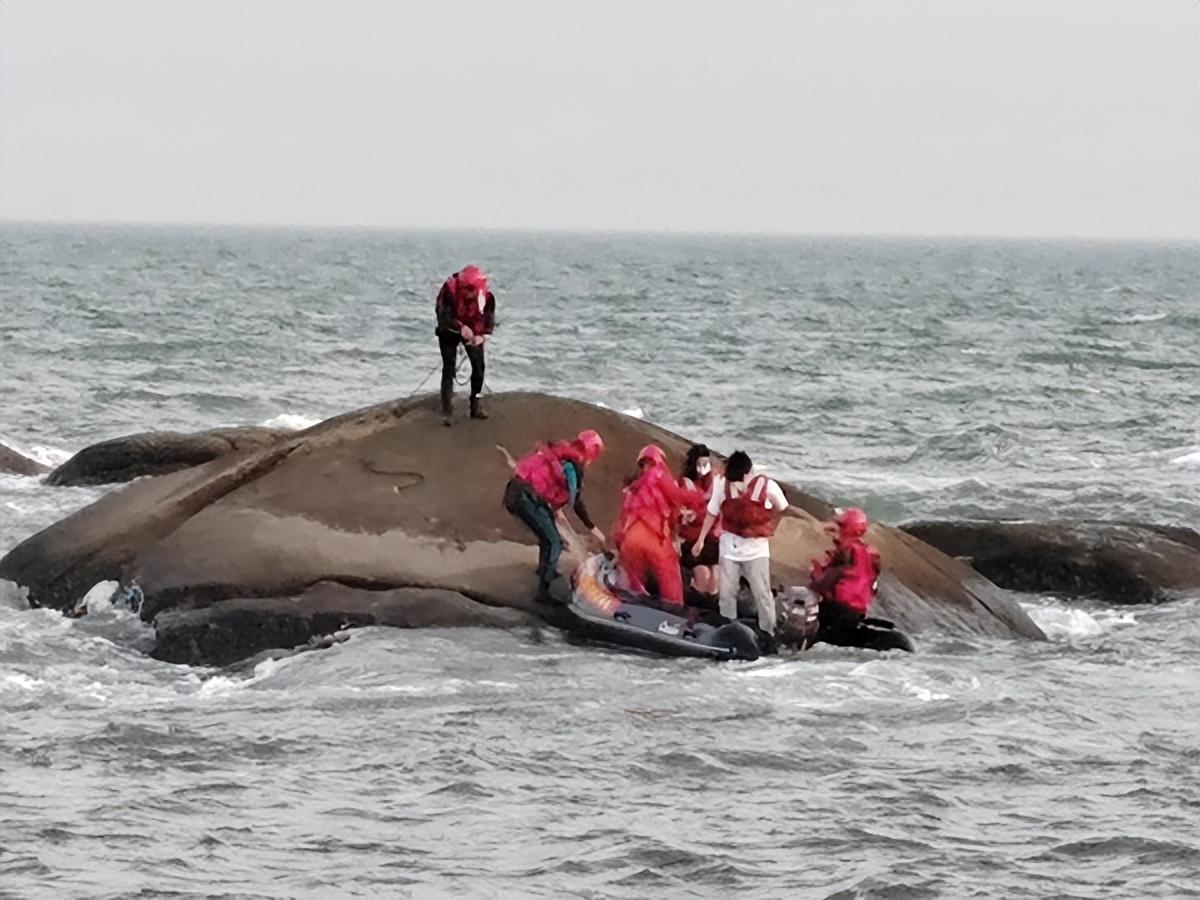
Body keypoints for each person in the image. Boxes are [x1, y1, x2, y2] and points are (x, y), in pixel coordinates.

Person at [691, 450, 789, 635]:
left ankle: (768, 631)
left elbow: (782, 507)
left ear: (748, 474)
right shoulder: (722, 484)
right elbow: (712, 512)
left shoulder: (768, 487)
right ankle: (729, 629)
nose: (735, 484)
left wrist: (771, 525)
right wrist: (701, 539)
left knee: (763, 594)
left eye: (738, 480)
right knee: (727, 594)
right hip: (730, 547)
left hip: (757, 550)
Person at [503, 430, 606, 601]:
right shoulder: (573, 467)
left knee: (547, 534)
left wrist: (555, 511)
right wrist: (592, 528)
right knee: (554, 543)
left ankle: (544, 569)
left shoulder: (559, 453)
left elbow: (546, 481)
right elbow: (576, 502)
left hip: (514, 491)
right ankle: (543, 593)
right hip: (527, 498)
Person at [613, 444, 701, 604]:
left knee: (632, 588)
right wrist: (701, 496)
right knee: (671, 586)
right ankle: (672, 618)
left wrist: (620, 550)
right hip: (654, 539)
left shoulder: (632, 488)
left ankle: (626, 615)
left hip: (630, 540)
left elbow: (621, 524)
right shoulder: (659, 475)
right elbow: (678, 498)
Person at [809, 507, 881, 644]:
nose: (835, 528)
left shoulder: (844, 553)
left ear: (846, 529)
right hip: (859, 611)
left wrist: (815, 573)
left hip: (837, 610)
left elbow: (822, 584)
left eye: (840, 525)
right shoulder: (870, 554)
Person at [435, 265, 496, 426]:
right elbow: (443, 316)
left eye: (472, 290)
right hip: (450, 327)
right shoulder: (449, 290)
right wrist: (460, 328)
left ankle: (475, 405)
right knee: (448, 367)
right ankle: (447, 411)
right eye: (466, 289)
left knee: (479, 366)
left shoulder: (486, 297)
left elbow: (489, 320)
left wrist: (481, 336)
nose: (469, 293)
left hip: (473, 329)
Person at [677, 443, 720, 595]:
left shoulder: (714, 482)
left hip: (710, 540)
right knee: (703, 575)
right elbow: (684, 515)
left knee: (715, 575)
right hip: (693, 541)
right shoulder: (685, 484)